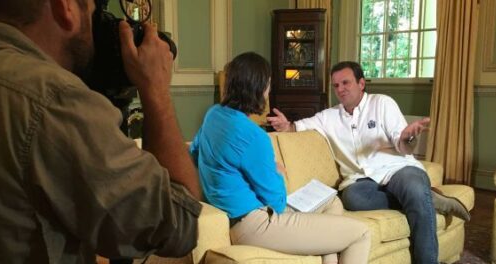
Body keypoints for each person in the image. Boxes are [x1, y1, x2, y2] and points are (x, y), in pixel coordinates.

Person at [0, 0, 202, 263]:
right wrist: (155, 90)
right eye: (92, 13)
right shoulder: (52, 100)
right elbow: (179, 222)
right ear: (65, 7)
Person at [267, 61, 471, 264]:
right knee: (352, 199)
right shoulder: (328, 117)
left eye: (345, 83)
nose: (340, 89)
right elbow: (297, 127)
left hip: (398, 169)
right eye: (336, 85)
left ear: (361, 83)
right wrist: (286, 125)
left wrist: (408, 137)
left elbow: (404, 147)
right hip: (361, 180)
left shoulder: (382, 103)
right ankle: (428, 198)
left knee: (414, 189)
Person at [189, 52, 371, 264]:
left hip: (239, 217)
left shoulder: (213, 114)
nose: (268, 91)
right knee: (361, 233)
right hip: (256, 224)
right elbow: (276, 202)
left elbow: (194, 154)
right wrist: (277, 172)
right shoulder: (253, 136)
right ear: (258, 89)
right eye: (267, 85)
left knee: (331, 202)